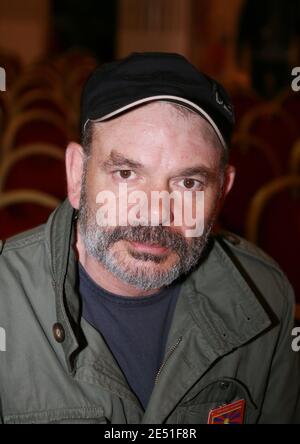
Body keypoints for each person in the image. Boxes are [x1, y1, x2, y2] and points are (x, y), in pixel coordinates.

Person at [0, 52, 299, 424]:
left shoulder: (266, 299)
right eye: (126, 173)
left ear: (222, 193)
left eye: (188, 183)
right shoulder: (5, 300)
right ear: (77, 174)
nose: (156, 213)